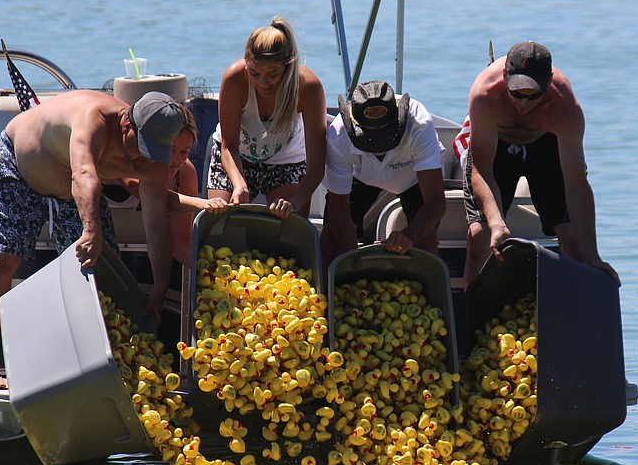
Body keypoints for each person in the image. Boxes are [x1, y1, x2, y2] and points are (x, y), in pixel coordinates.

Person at [0, 90, 195, 389]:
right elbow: (84, 175)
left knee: (105, 270)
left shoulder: (157, 157)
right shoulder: (93, 118)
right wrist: (91, 231)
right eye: (143, 147)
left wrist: (160, 286)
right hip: (20, 162)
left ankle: (97, 363)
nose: (146, 156)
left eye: (154, 151)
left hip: (69, 187)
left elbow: (155, 221)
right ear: (127, 125)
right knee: (5, 259)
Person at [463, 41, 619, 286]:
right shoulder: (485, 94)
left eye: (534, 95)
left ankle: (573, 303)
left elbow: (576, 182)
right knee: (479, 239)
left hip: (544, 142)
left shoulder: (565, 109)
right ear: (504, 76)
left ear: (549, 81)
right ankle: (471, 308)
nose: (523, 104)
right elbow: (482, 170)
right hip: (497, 145)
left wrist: (593, 256)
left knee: (574, 243)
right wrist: (496, 224)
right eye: (516, 94)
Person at [320, 80, 447, 273]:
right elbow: (340, 209)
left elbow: (436, 201)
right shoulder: (338, 135)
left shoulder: (419, 123)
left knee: (425, 246)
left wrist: (407, 236)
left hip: (413, 176)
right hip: (360, 175)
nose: (379, 150)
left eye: (386, 139)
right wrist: (353, 262)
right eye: (369, 141)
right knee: (331, 238)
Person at [207, 16, 327, 218]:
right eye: (254, 73)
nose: (263, 82)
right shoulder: (234, 78)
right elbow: (229, 147)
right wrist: (239, 185)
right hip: (236, 158)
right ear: (246, 62)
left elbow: (316, 167)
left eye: (273, 74)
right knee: (220, 222)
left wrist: (294, 204)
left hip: (287, 162)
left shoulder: (308, 87)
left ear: (288, 68)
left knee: (288, 226)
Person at [103, 120, 217, 268]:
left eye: (184, 152)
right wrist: (202, 203)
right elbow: (156, 197)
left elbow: (180, 244)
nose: (176, 159)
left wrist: (213, 270)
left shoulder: (186, 172)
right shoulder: (128, 161)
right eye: (171, 149)